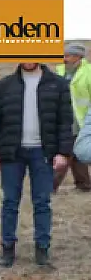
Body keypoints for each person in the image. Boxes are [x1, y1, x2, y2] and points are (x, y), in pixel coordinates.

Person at [0, 62, 73, 267]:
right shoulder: (4, 85)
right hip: (12, 153)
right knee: (10, 202)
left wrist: (63, 152)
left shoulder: (58, 85)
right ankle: (8, 248)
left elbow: (65, 121)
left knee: (42, 202)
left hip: (43, 152)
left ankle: (42, 249)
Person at [54, 42, 91, 192]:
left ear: (78, 57)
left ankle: (50, 185)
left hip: (82, 120)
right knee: (73, 151)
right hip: (63, 118)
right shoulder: (59, 71)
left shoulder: (88, 72)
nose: (64, 58)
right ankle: (84, 185)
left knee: (67, 151)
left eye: (68, 55)